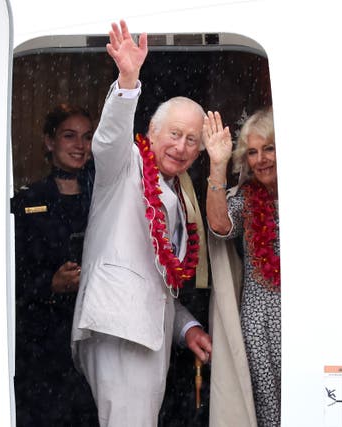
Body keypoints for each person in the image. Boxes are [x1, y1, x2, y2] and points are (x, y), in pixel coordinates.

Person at [71, 20, 213, 427]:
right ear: (150, 131)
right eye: (174, 133)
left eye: (192, 140)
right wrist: (128, 81)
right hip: (120, 327)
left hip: (149, 333)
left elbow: (161, 281)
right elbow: (108, 139)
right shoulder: (125, 164)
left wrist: (186, 327)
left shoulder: (179, 193)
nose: (181, 146)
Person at [11, 104, 99, 426]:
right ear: (49, 142)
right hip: (42, 342)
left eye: (87, 137)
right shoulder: (25, 201)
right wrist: (50, 284)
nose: (80, 145)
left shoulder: (103, 199)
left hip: (94, 335)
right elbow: (11, 279)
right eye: (69, 136)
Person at [203, 107, 281, 427]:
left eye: (269, 148)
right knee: (268, 410)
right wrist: (218, 166)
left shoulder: (316, 197)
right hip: (259, 320)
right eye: (252, 152)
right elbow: (220, 226)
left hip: (307, 316)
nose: (260, 159)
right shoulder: (248, 199)